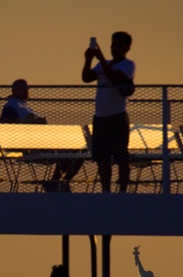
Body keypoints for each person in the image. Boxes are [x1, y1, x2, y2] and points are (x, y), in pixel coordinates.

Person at [0, 79, 83, 192]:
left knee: (80, 153)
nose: (25, 91)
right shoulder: (11, 106)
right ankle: (55, 182)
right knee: (71, 152)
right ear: (13, 90)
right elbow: (4, 125)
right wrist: (25, 122)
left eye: (26, 89)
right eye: (22, 89)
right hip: (28, 146)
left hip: (40, 142)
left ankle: (61, 182)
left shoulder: (22, 105)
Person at [82, 32, 136, 193]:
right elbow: (86, 77)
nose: (115, 48)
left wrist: (101, 60)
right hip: (100, 117)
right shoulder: (103, 64)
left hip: (117, 116)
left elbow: (114, 78)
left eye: (119, 45)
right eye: (113, 44)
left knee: (121, 157)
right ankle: (106, 191)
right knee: (102, 158)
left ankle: (122, 191)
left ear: (127, 48)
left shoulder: (128, 64)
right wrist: (88, 59)